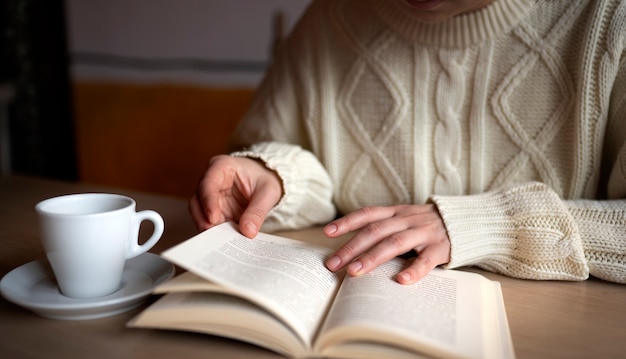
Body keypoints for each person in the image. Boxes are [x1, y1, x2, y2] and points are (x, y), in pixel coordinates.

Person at [189, 0, 626, 285]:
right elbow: (306, 164)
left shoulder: (610, 18)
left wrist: (488, 226)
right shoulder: (329, 16)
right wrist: (275, 175)